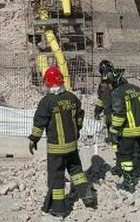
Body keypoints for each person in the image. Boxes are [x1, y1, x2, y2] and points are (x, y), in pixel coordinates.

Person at [29, 66, 95, 217]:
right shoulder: (72, 98)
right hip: (72, 146)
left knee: (56, 176)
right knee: (76, 170)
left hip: (56, 149)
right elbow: (80, 117)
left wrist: (34, 139)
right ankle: (87, 195)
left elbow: (39, 123)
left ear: (48, 82)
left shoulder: (47, 102)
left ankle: (58, 209)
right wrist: (76, 131)